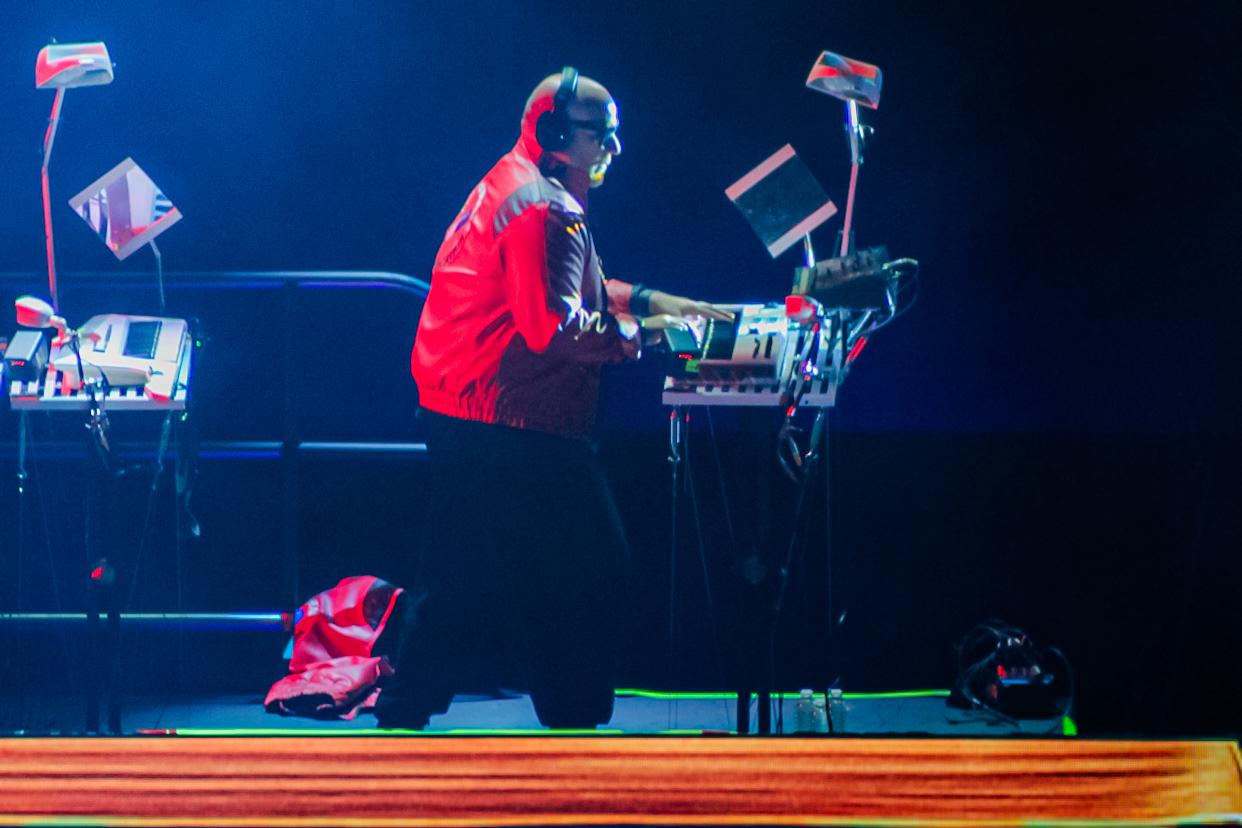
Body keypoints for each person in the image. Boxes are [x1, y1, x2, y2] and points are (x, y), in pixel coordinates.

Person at [374, 68, 731, 729]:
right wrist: (652, 332)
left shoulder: (514, 181)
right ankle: (574, 719)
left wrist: (649, 298)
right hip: (511, 417)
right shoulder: (546, 207)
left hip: (467, 405)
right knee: (592, 566)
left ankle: (405, 709)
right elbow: (556, 328)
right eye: (603, 135)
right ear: (557, 135)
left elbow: (563, 288)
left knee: (459, 570)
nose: (614, 149)